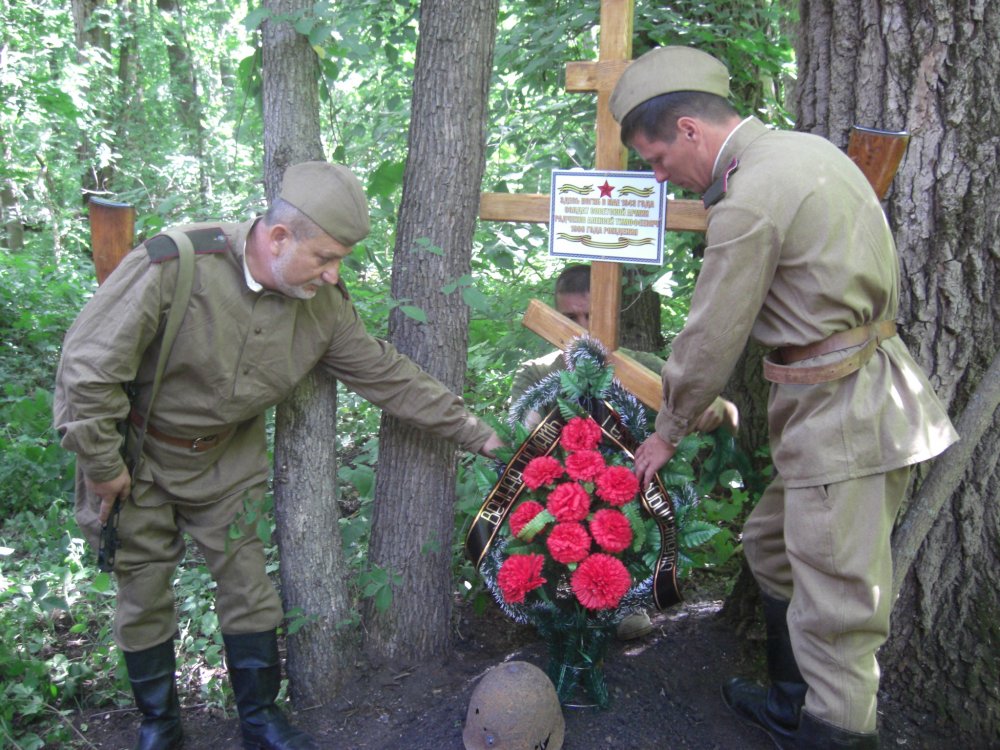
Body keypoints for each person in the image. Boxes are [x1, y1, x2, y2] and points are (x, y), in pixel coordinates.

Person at [54, 161, 503, 750]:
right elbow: (89, 369)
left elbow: (389, 377)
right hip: (137, 458)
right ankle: (159, 725)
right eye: (325, 257)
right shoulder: (176, 264)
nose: (333, 273)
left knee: (248, 589)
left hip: (227, 461)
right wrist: (103, 465)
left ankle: (260, 718)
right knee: (142, 593)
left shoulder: (323, 307)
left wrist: (480, 435)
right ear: (279, 237)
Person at [610, 47, 958, 749]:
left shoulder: (751, 198)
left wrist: (668, 429)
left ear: (689, 130)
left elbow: (711, 335)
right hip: (842, 397)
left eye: (656, 158)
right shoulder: (805, 152)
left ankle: (832, 730)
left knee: (838, 610)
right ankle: (788, 703)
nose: (659, 177)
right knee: (771, 543)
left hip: (845, 409)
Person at [509, 263, 738, 640]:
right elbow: (519, 440)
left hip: (625, 496)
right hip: (559, 498)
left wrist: (717, 408)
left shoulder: (640, 367)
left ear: (610, 315)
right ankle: (554, 597)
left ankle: (620, 598)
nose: (582, 330)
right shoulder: (536, 372)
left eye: (590, 316)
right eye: (570, 318)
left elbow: (716, 408)